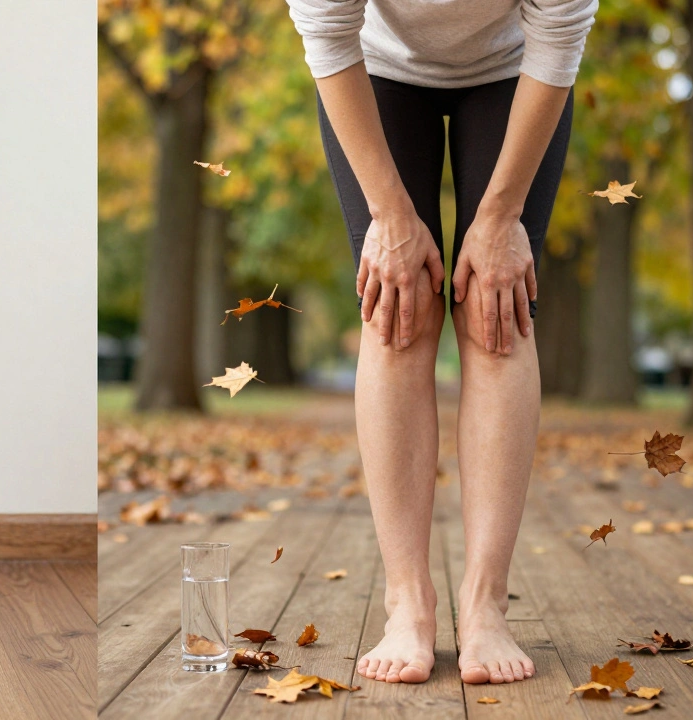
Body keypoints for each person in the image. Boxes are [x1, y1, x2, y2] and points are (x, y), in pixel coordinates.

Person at [286, 0, 597, 685]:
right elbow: (328, 32)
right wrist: (390, 218)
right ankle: (408, 603)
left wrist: (500, 217)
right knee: (398, 310)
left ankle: (485, 605)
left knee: (497, 306)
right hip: (375, 69)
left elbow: (558, 38)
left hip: (515, 70)